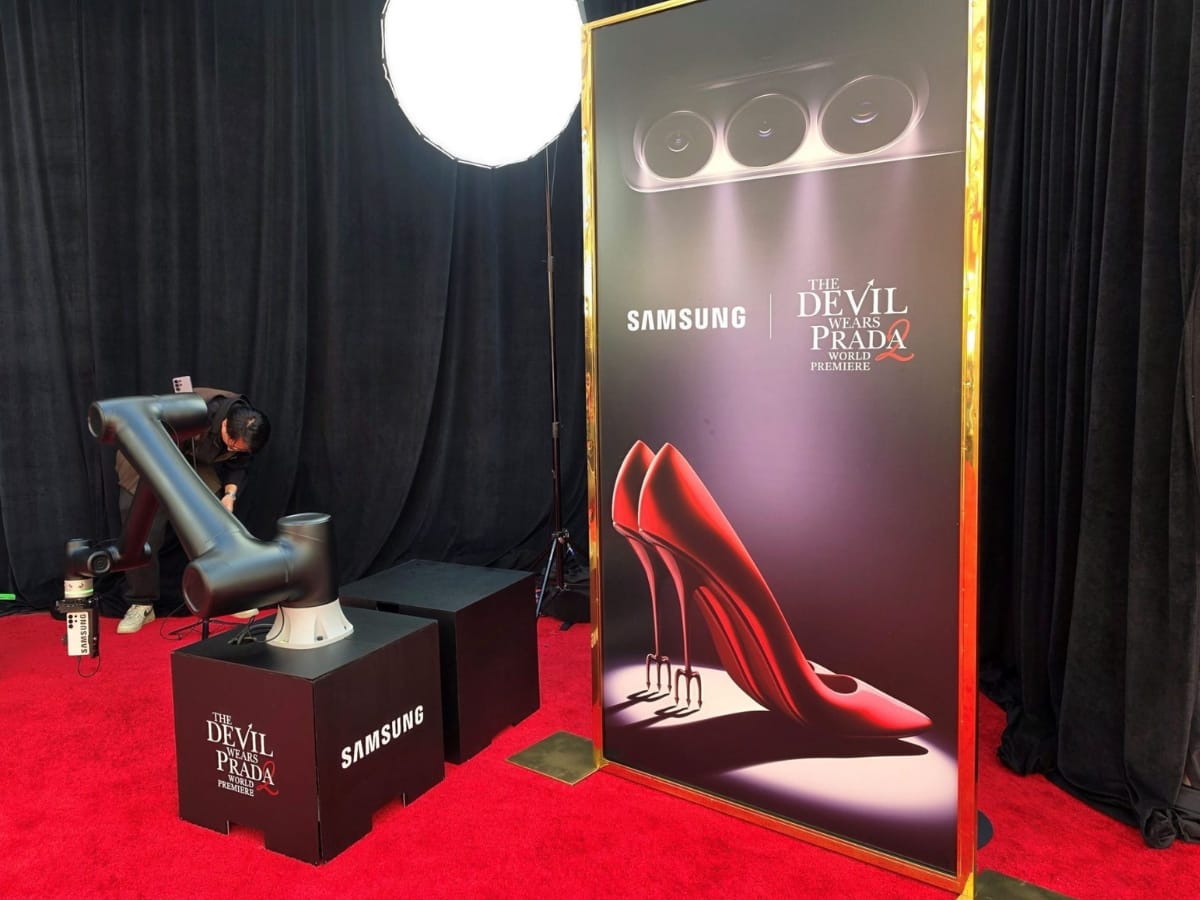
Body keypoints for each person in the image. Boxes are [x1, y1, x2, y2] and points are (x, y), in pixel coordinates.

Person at [114, 387, 272, 634]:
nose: (234, 450)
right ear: (225, 426)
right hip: (147, 453)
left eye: (240, 449)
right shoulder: (192, 411)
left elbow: (239, 463)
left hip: (192, 459)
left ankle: (227, 592)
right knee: (142, 530)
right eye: (232, 445)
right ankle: (141, 603)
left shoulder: (242, 431)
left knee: (214, 520)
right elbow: (154, 445)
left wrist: (229, 495)